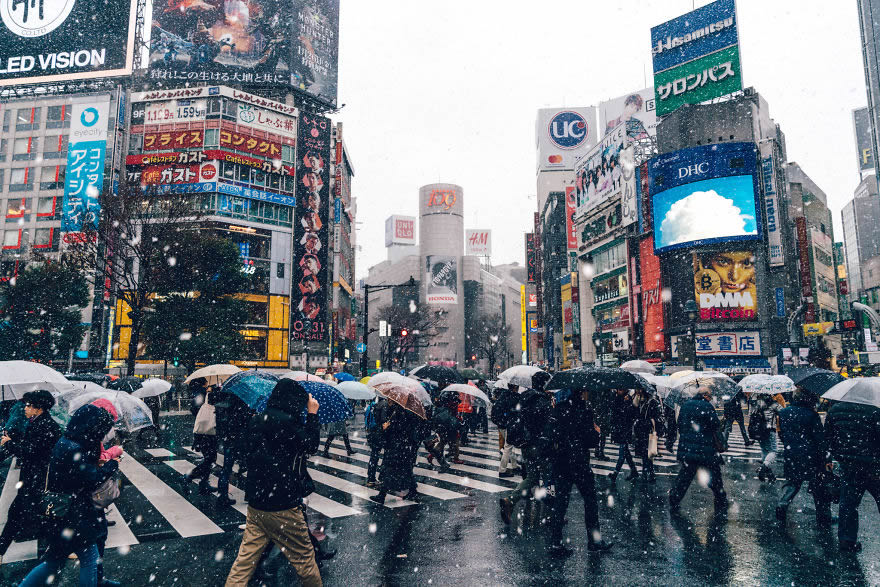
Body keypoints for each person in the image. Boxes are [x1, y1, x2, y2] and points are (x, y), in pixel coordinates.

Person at [225, 379, 323, 586]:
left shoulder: (258, 420)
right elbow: (311, 445)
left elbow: (242, 450)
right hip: (283, 502)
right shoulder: (289, 423)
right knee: (305, 561)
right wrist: (313, 415)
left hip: (257, 502)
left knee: (244, 563)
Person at [18, 404, 120, 587]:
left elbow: (78, 474)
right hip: (74, 514)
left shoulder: (67, 441)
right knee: (89, 558)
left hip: (61, 513)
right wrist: (111, 465)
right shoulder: (74, 448)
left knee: (53, 561)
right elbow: (91, 479)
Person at [545, 388, 613, 556]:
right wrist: (596, 433)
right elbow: (590, 440)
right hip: (579, 462)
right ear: (580, 392)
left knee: (560, 502)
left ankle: (556, 543)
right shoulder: (584, 410)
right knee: (590, 500)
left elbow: (551, 435)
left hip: (562, 462)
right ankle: (594, 540)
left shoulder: (558, 410)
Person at [0, 391, 61, 563]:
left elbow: (31, 453)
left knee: (19, 514)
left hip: (37, 478)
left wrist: (9, 443)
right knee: (45, 517)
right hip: (35, 477)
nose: (25, 408)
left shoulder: (44, 426)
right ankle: (61, 549)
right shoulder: (39, 423)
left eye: (28, 405)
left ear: (38, 408)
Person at [824, 395, 880, 553]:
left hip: (848, 466)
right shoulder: (874, 411)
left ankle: (847, 541)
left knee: (848, 504)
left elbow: (828, 439)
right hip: (873, 466)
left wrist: (838, 455)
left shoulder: (835, 411)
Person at [775, 390, 834, 526]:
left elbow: (782, 434)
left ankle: (782, 504)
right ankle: (823, 516)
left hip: (792, 453)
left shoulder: (784, 412)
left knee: (793, 484)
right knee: (819, 487)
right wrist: (826, 458)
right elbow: (820, 440)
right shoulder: (811, 415)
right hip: (811, 455)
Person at [668, 387, 728, 514]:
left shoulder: (685, 405)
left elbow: (680, 424)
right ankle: (720, 498)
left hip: (688, 447)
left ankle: (674, 498)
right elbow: (715, 425)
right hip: (705, 448)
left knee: (685, 476)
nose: (711, 398)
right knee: (714, 475)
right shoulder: (707, 407)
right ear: (705, 395)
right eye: (710, 396)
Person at [498, 386, 552, 525]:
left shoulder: (525, 399)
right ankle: (554, 511)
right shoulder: (543, 402)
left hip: (527, 445)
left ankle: (510, 500)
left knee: (532, 477)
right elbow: (549, 425)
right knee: (549, 477)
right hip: (541, 446)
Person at [210, 386, 254, 507]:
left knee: (226, 468)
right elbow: (245, 422)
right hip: (241, 439)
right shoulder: (241, 404)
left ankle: (222, 494)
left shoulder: (222, 404)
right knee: (250, 465)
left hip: (227, 440)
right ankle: (250, 494)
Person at [373, 402, 421, 504]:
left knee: (389, 469)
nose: (388, 400)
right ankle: (413, 492)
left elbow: (397, 429)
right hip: (404, 446)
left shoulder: (399, 412)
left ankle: (382, 495)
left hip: (396, 446)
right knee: (406, 469)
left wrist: (387, 427)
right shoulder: (408, 411)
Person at [184, 378, 219, 495]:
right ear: (204, 383)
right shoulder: (205, 395)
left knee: (209, 459)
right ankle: (189, 477)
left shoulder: (198, 394)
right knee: (210, 459)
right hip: (208, 432)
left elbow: (194, 409)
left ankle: (203, 484)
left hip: (201, 431)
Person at [633, 387, 663, 483]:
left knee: (649, 454)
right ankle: (646, 473)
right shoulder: (637, 401)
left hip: (649, 431)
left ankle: (649, 474)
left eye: (639, 390)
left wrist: (648, 421)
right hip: (640, 431)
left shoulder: (652, 402)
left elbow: (658, 417)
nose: (638, 391)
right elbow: (634, 413)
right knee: (643, 454)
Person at [749, 394, 782, 483]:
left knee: (764, 450)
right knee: (773, 451)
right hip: (769, 429)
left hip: (759, 430)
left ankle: (769, 475)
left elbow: (750, 415)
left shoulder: (755, 402)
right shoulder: (772, 403)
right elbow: (782, 412)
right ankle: (764, 467)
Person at [609, 389, 639, 482]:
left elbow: (630, 414)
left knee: (622, 452)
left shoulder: (628, 400)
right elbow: (614, 413)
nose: (619, 391)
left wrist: (627, 403)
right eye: (618, 390)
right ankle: (634, 471)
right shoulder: (616, 398)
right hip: (620, 430)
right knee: (626, 452)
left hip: (625, 430)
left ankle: (615, 473)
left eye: (621, 390)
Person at [491, 382, 520, 477]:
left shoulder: (503, 395)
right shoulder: (514, 397)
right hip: (509, 425)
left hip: (501, 424)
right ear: (515, 386)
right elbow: (517, 411)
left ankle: (515, 466)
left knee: (510, 446)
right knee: (508, 447)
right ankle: (502, 470)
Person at [364, 397, 388, 487]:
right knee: (385, 456)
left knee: (374, 456)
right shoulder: (385, 404)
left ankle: (371, 478)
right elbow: (383, 420)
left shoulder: (374, 404)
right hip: (380, 434)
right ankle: (381, 477)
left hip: (373, 433)